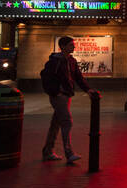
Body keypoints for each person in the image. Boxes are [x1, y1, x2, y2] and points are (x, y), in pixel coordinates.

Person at [41, 36, 99, 165]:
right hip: (59, 96)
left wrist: (87, 90)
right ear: (63, 46)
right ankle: (69, 153)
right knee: (67, 121)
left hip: (66, 95)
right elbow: (45, 77)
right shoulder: (55, 61)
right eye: (71, 44)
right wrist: (55, 92)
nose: (74, 46)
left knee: (56, 123)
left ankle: (48, 151)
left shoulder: (71, 61)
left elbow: (78, 77)